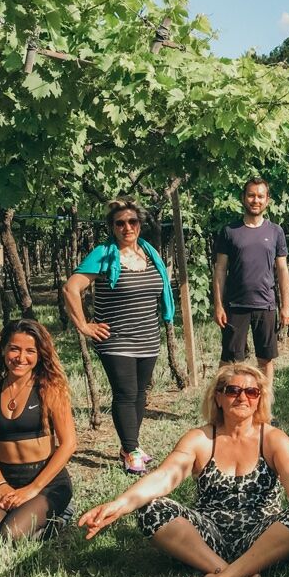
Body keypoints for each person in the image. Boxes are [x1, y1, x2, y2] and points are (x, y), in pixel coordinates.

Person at [78, 363, 289, 577]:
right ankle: (228, 570)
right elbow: (165, 477)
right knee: (150, 508)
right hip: (208, 534)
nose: (243, 397)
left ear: (260, 398)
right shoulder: (201, 438)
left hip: (260, 534)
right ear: (219, 397)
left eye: (252, 392)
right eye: (233, 390)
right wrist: (119, 504)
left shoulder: (272, 438)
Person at [63, 197, 174, 475]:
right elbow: (70, 289)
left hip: (148, 338)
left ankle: (129, 446)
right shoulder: (103, 254)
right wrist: (84, 325)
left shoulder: (150, 254)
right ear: (112, 227)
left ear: (140, 224)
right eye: (120, 223)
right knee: (125, 393)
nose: (127, 227)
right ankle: (131, 449)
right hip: (115, 339)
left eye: (132, 222)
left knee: (139, 394)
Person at [0, 319, 77, 542]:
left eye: (30, 351)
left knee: (8, 537)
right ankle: (20, 511)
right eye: (14, 349)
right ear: (4, 350)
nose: (20, 357)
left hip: (46, 481)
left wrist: (33, 489)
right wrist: (0, 485)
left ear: (39, 355)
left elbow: (68, 444)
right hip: (7, 478)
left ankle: (61, 514)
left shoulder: (50, 390)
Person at [212, 177, 289, 388]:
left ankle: (263, 406)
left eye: (260, 196)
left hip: (265, 304)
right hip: (235, 306)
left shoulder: (276, 232)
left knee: (265, 359)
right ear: (243, 198)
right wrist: (219, 305)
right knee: (230, 360)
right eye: (251, 195)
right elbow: (220, 269)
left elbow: (283, 270)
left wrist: (286, 306)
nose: (255, 200)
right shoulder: (229, 231)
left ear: (267, 200)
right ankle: (222, 405)